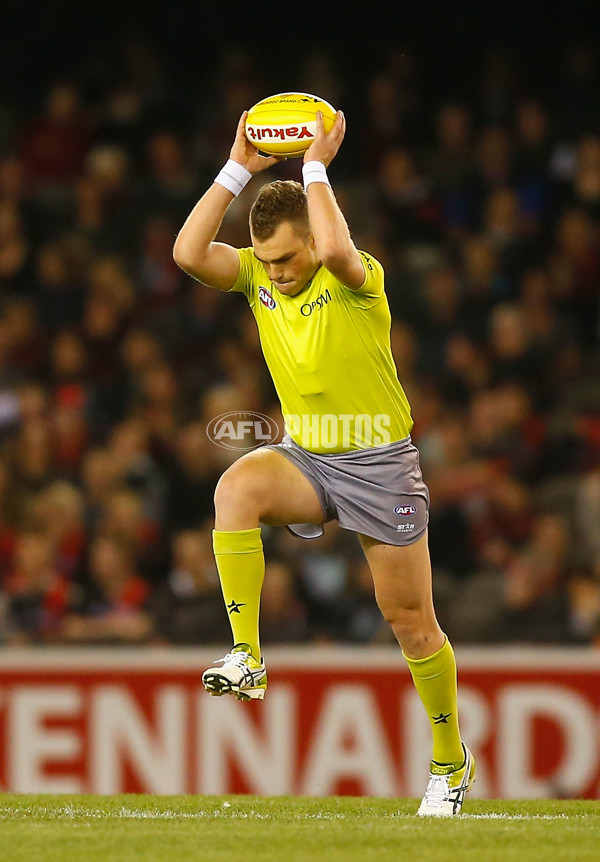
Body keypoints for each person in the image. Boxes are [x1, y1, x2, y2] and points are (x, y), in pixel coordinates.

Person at [173, 109, 475, 816]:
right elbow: (189, 254)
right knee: (236, 488)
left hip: (380, 465)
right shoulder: (256, 276)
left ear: (313, 236)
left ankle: (449, 763)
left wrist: (315, 167)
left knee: (410, 621)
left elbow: (337, 252)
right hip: (309, 458)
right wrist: (237, 168)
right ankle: (246, 656)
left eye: (286, 258)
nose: (275, 273)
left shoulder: (355, 276)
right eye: (267, 260)